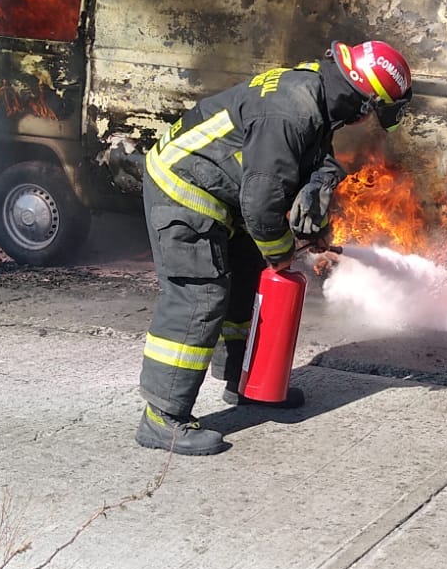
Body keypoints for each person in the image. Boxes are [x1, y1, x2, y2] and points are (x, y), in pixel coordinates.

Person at [137, 39, 413, 455]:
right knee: (199, 296)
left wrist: (314, 219)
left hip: (220, 191)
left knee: (249, 278)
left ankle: (244, 378)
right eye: (373, 110)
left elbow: (309, 161)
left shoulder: (315, 91)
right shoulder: (291, 110)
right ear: (361, 100)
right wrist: (283, 249)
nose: (366, 119)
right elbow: (261, 202)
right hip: (183, 190)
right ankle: (163, 418)